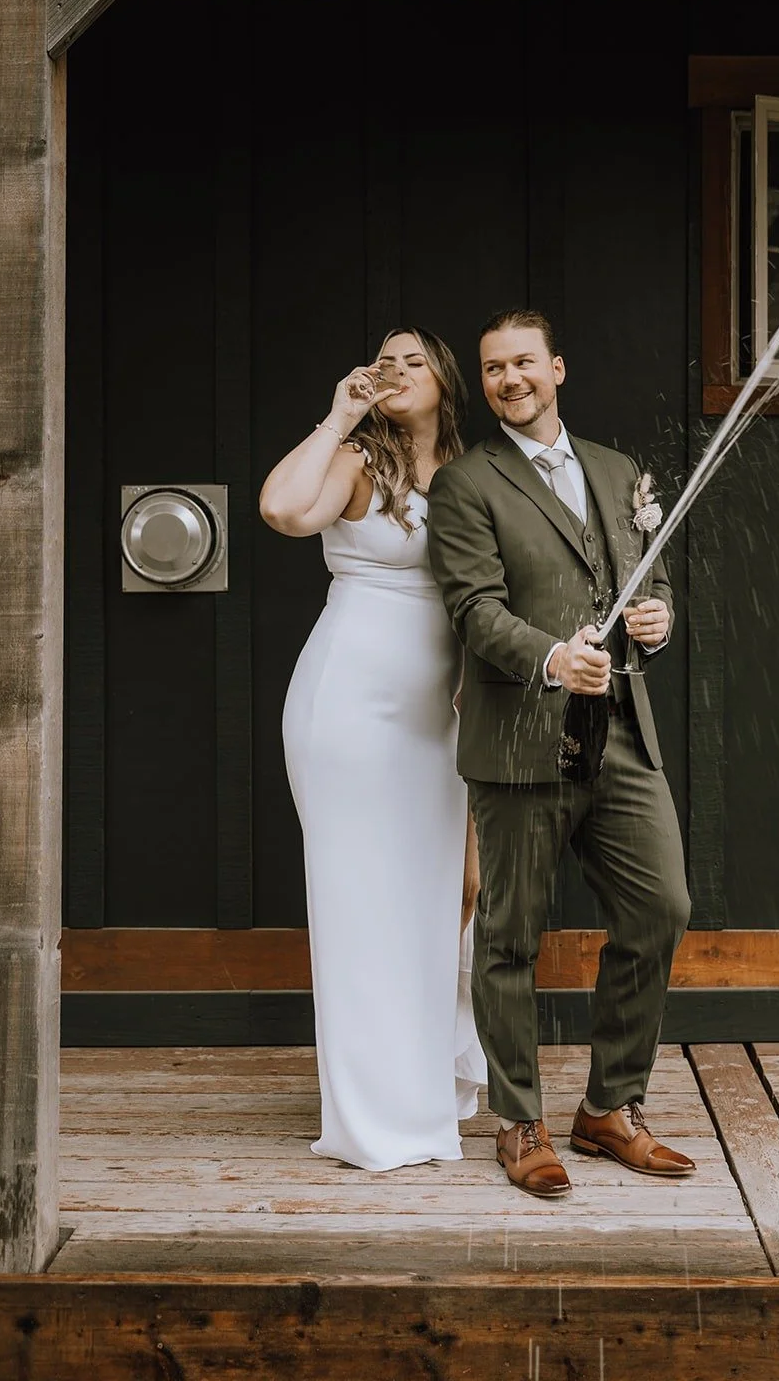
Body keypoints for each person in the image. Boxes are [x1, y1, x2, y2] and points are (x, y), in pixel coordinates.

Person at [427, 309, 694, 1198]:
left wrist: (655, 621)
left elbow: (643, 584)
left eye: (524, 363)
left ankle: (609, 1108)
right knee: (510, 935)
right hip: (518, 739)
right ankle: (519, 1121)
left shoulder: (618, 472)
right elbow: (473, 607)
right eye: (494, 367)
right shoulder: (467, 484)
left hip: (618, 732)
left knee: (659, 906)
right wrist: (549, 657)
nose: (510, 378)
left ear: (558, 369)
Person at [259, 328, 486, 1171]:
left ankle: (424, 1084)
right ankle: (372, 1118)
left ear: (443, 382)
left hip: (443, 711)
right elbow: (284, 510)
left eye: (412, 361)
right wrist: (335, 416)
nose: (393, 371)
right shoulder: (359, 461)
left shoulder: (472, 472)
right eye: (381, 360)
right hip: (349, 701)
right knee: (361, 901)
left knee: (449, 891)